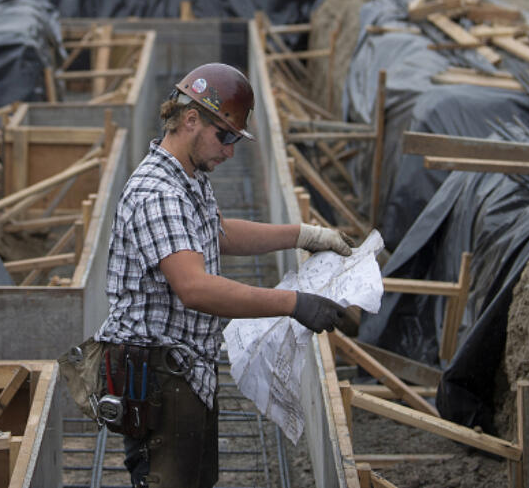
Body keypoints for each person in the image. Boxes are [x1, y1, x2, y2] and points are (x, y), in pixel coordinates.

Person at [93, 62, 354, 488]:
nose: (230, 150)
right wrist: (294, 303)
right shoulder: (157, 192)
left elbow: (218, 233)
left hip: (185, 368)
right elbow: (194, 287)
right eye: (226, 136)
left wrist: (305, 235)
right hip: (157, 375)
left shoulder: (188, 177)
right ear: (191, 119)